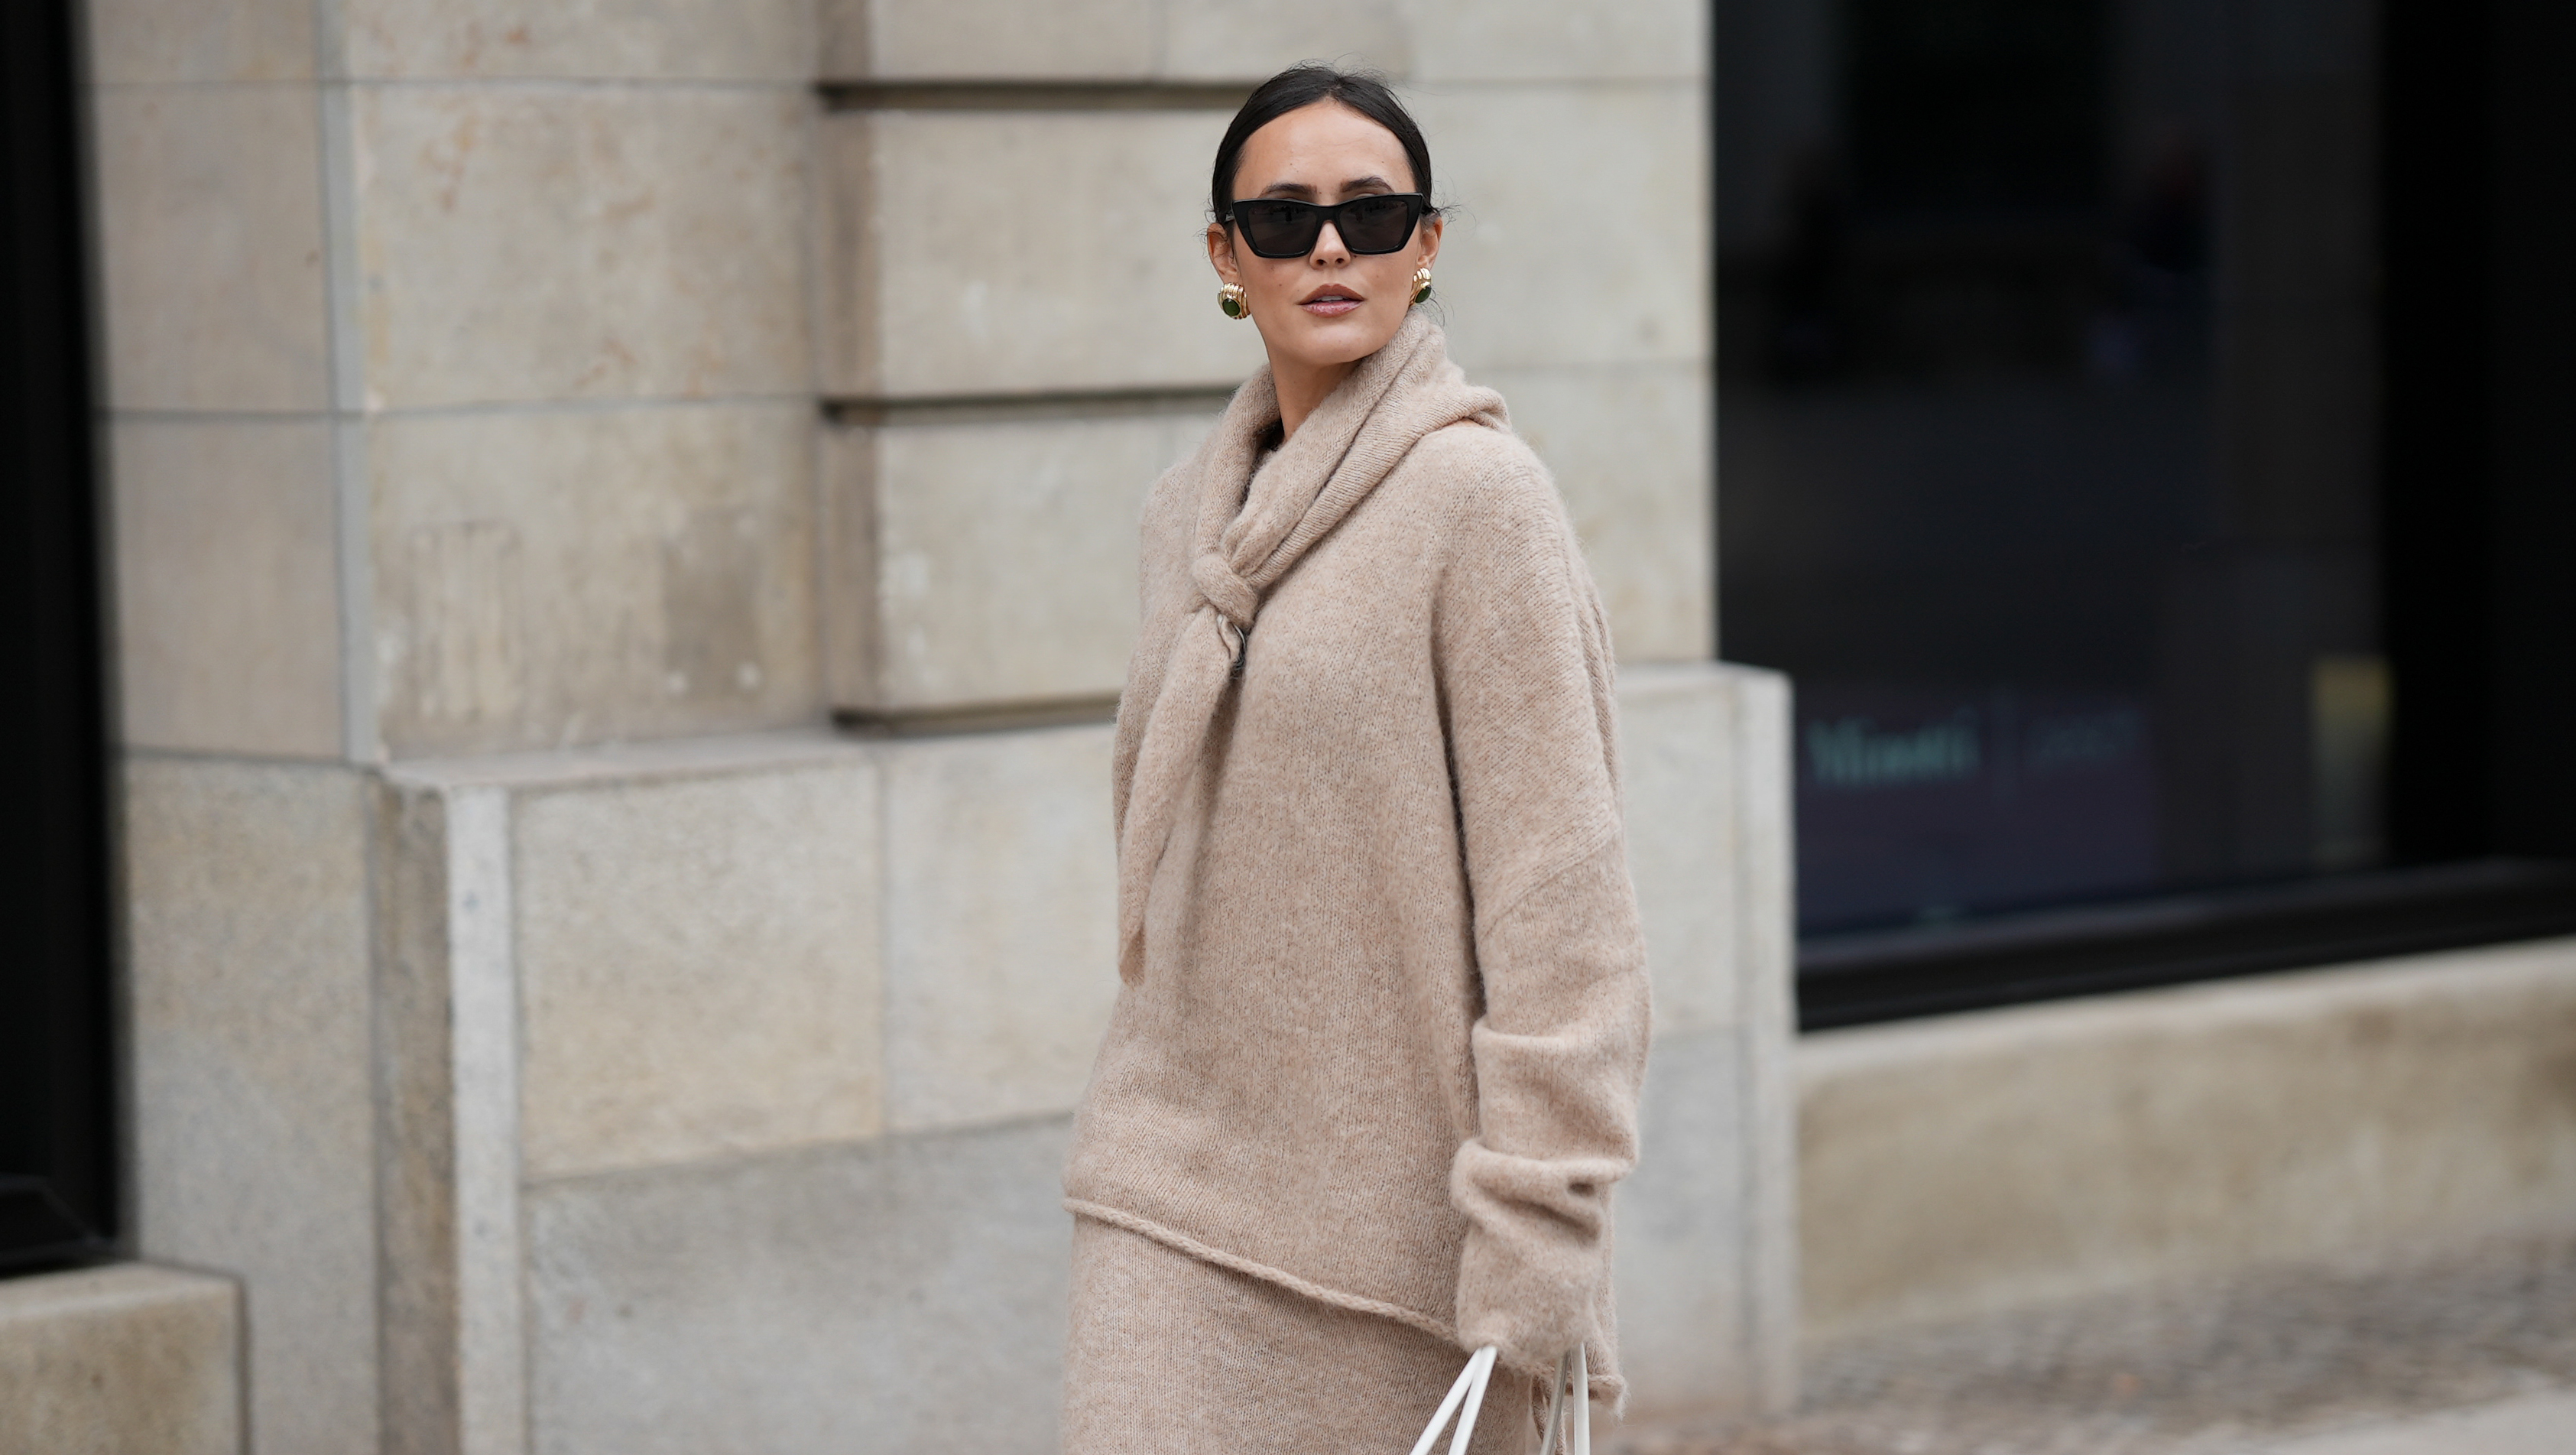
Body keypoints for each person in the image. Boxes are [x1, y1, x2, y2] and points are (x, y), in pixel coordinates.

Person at [1059, 62, 1652, 1454]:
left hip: (1409, 1227)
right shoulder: (1180, 521)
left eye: (1372, 214)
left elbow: (1560, 903)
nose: (1329, 247)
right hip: (1168, 1174)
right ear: (1225, 258)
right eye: (1281, 220)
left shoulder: (1480, 502)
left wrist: (1539, 1216)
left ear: (1424, 247)